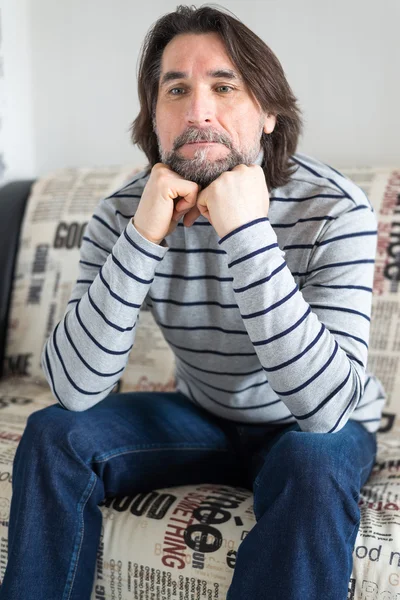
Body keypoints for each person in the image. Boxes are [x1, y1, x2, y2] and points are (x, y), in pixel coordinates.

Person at [0, 5, 385, 600]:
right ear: (154, 120)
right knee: (53, 435)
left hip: (310, 429)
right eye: (175, 89)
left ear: (268, 113)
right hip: (202, 414)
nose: (198, 110)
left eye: (224, 86)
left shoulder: (337, 210)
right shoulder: (123, 212)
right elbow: (76, 391)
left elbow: (326, 409)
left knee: (313, 462)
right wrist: (143, 238)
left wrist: (246, 234)